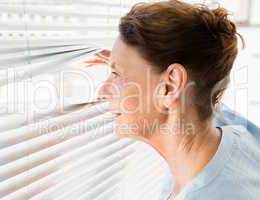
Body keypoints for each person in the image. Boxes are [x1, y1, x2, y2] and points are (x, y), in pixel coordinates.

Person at [84, 0, 260, 199]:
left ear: (170, 86)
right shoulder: (235, 133)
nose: (103, 91)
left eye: (115, 74)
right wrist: (127, 66)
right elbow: (200, 92)